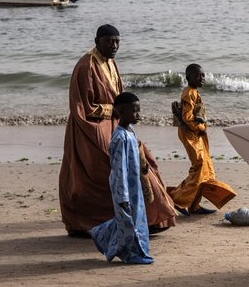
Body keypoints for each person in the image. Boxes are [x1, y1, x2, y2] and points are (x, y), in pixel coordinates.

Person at [59, 24, 175, 237]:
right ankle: (89, 224)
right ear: (97, 42)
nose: (114, 46)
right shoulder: (86, 66)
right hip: (89, 127)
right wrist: (115, 111)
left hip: (115, 123)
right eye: (109, 41)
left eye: (117, 42)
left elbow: (118, 96)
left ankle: (151, 218)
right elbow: (83, 107)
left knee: (144, 159)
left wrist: (122, 115)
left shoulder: (111, 63)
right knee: (102, 168)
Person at [91, 92, 153, 264]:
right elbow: (118, 169)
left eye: (139, 111)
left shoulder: (131, 132)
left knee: (137, 218)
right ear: (122, 112)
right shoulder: (119, 137)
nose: (138, 115)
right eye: (135, 111)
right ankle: (132, 254)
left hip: (135, 186)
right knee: (128, 221)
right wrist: (122, 194)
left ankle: (101, 233)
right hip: (123, 187)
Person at [167, 64, 236, 215]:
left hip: (195, 135)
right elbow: (187, 118)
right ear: (188, 78)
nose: (201, 78)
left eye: (203, 76)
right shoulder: (189, 93)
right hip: (191, 134)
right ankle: (175, 199)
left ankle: (194, 205)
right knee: (198, 167)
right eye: (198, 76)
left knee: (203, 168)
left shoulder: (194, 92)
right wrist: (201, 128)